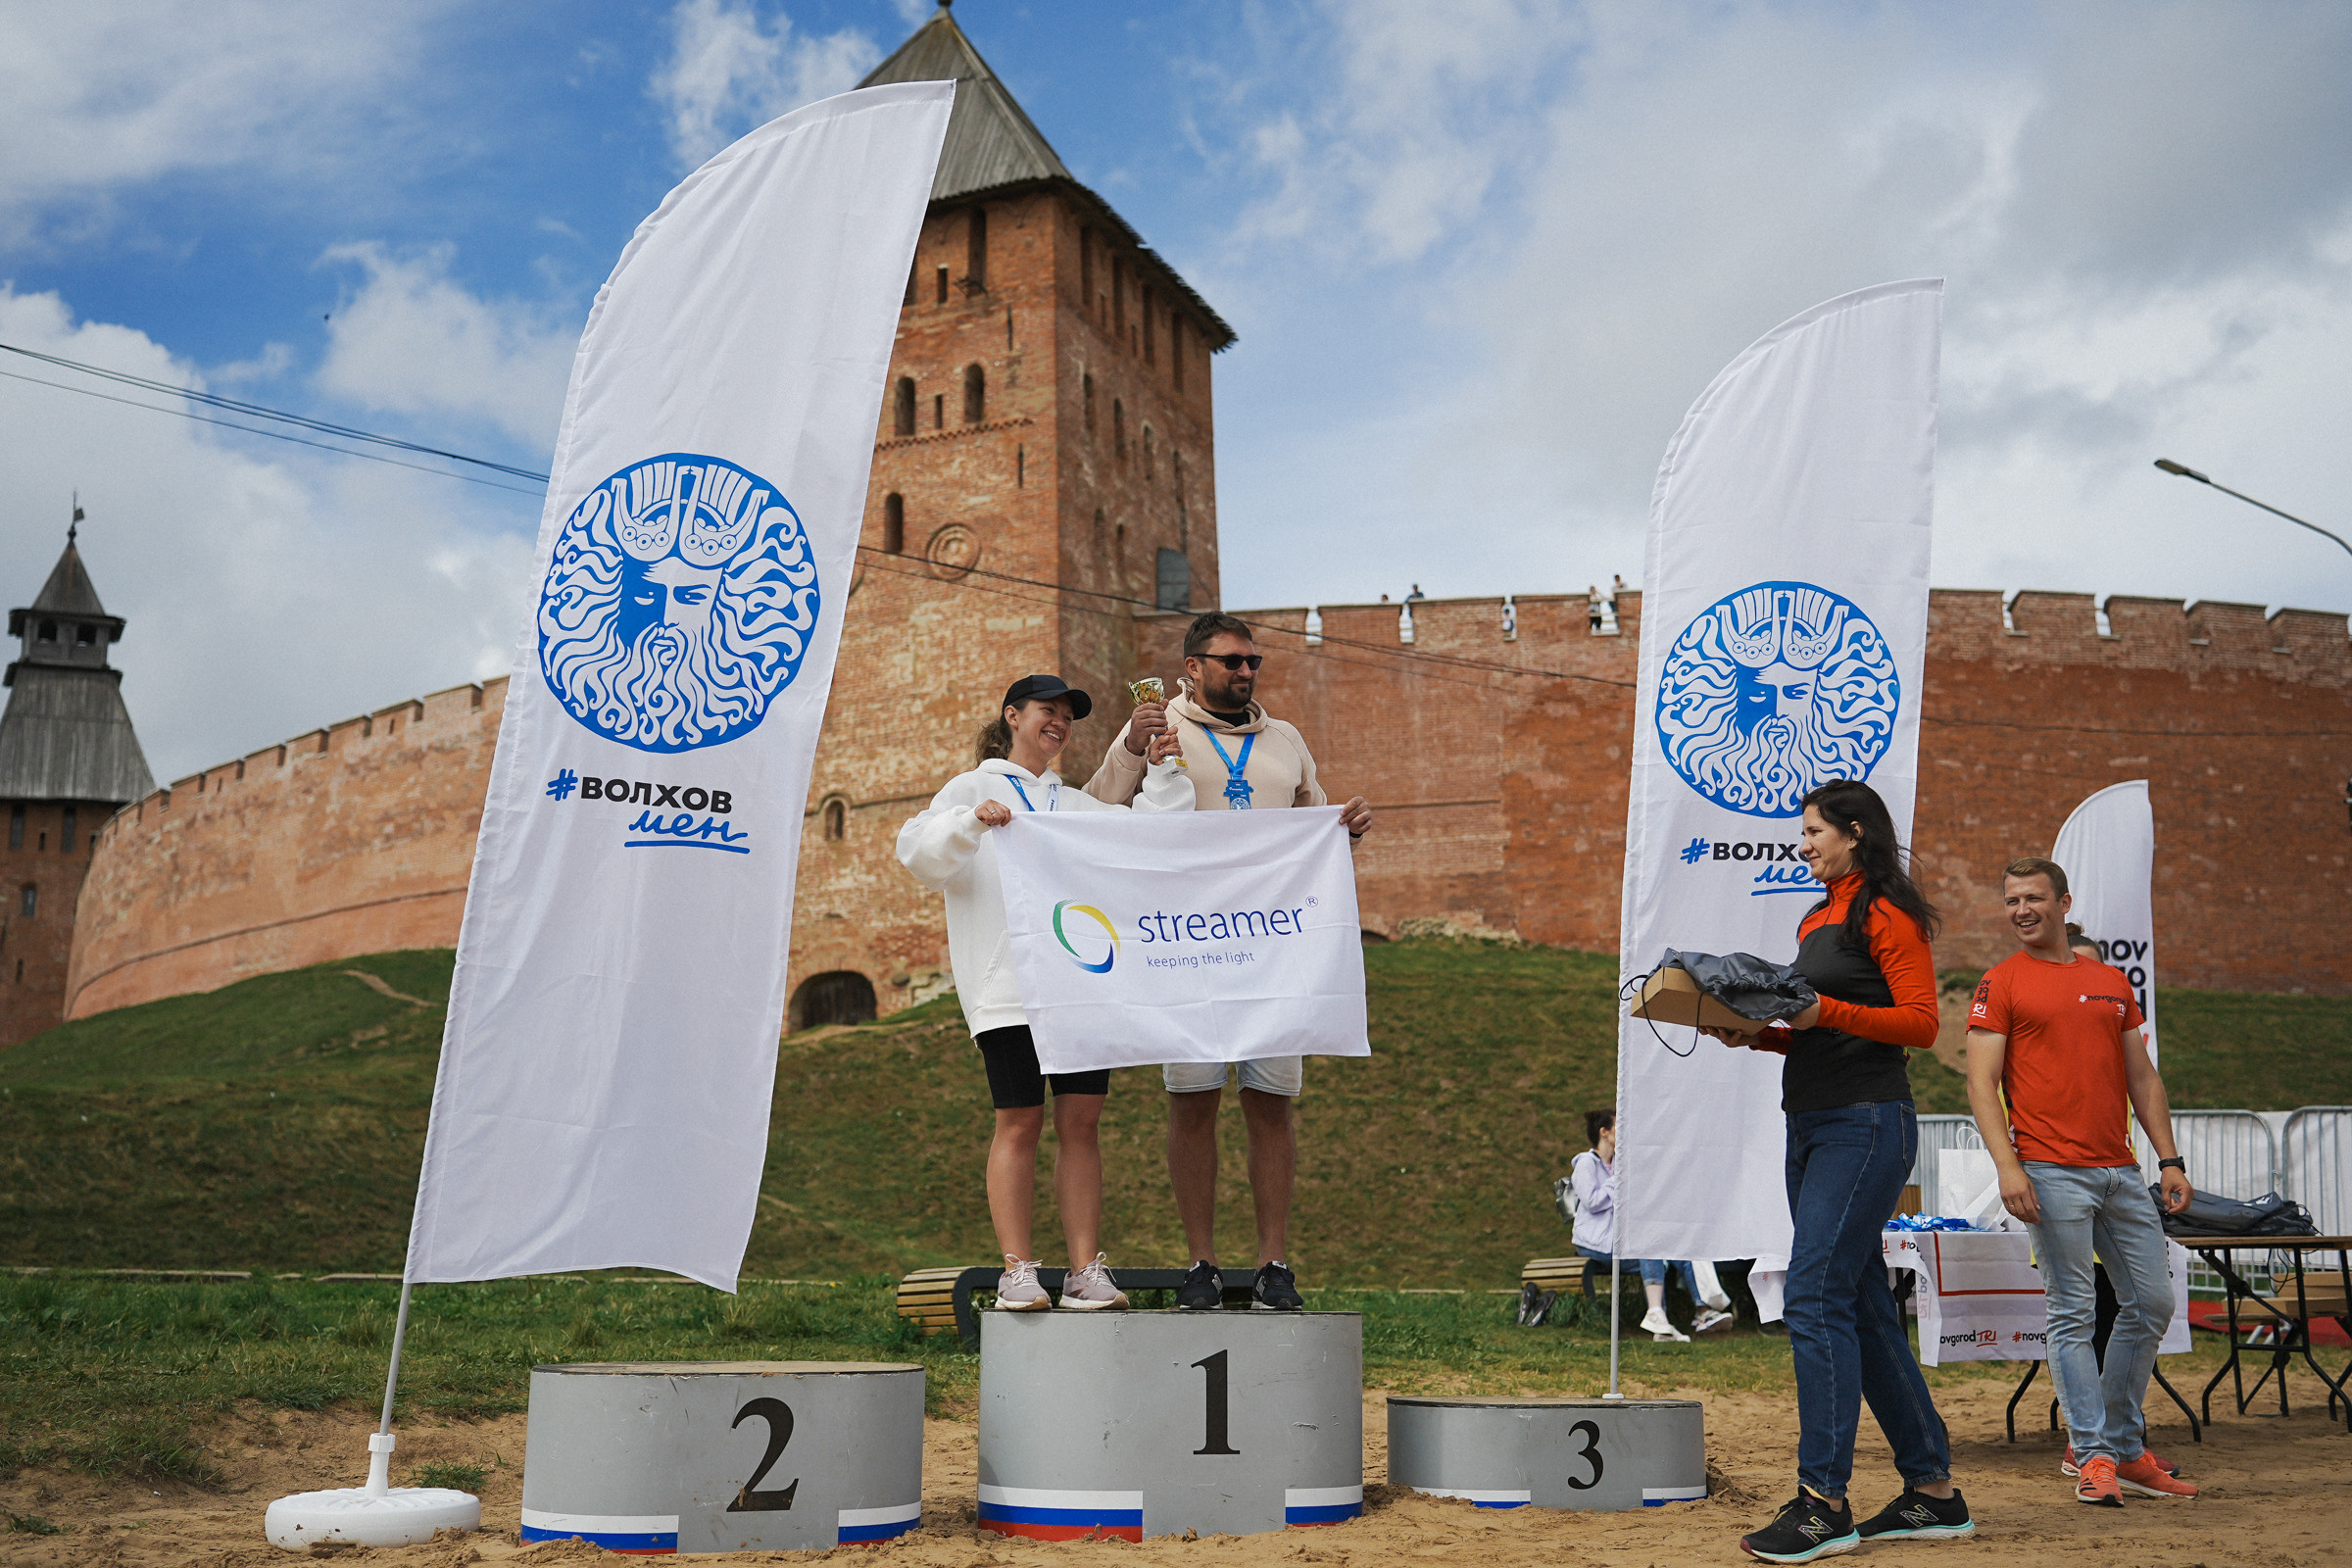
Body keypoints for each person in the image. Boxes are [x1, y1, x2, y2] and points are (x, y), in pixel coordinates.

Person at [1706, 778, 1972, 1561]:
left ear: (1856, 832)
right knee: (1857, 1304)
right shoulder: (1817, 916)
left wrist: (1822, 1014)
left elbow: (1920, 1025)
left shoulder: (1885, 910)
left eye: (1814, 831)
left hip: (1865, 1124)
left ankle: (1823, 1503)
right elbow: (1823, 1028)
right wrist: (1759, 1037)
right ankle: (1933, 1493)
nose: (1803, 843)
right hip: (1814, 1121)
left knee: (1816, 1294)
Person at [1086, 612, 1374, 1311]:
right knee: (1192, 1106)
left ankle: (1274, 1262)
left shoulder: (1286, 741)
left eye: (1253, 662)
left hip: (1271, 949)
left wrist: (1344, 835)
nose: (1245, 671)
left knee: (1271, 1107)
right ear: (1192, 667)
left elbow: (1313, 838)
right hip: (1187, 949)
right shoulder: (1159, 727)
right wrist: (1130, 745)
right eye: (1230, 661)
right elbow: (1095, 809)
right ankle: (1201, 1265)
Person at [897, 674, 1190, 1311]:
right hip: (1006, 991)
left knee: (1082, 1122)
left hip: (1081, 988)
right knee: (1019, 1120)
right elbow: (915, 850)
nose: (1057, 723)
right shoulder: (973, 786)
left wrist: (1163, 771)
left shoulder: (1075, 804)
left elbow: (1149, 836)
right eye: (1046, 711)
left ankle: (1085, 1271)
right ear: (1013, 715)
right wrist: (971, 822)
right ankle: (1017, 1271)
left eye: (1067, 716)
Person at [1966, 858, 2196, 1506]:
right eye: (2011, 900)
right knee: (2073, 1312)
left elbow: (2142, 1078)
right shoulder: (2001, 982)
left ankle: (2124, 1449)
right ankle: (2093, 1454)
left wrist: (2169, 1159)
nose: (2020, 910)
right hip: (2047, 1170)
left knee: (2151, 1304)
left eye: (2033, 898)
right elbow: (1980, 1083)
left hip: (2120, 1172)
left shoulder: (2110, 982)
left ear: (2063, 902)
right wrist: (2008, 1167)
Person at [1567, 1108, 1733, 1340]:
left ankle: (1702, 1313)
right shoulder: (1586, 1163)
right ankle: (1659, 1317)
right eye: (1619, 1127)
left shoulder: (1619, 1164)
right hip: (1594, 1243)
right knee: (1649, 1249)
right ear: (1603, 1132)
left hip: (1620, 1241)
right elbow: (1592, 1202)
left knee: (1678, 1249)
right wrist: (1619, 1179)